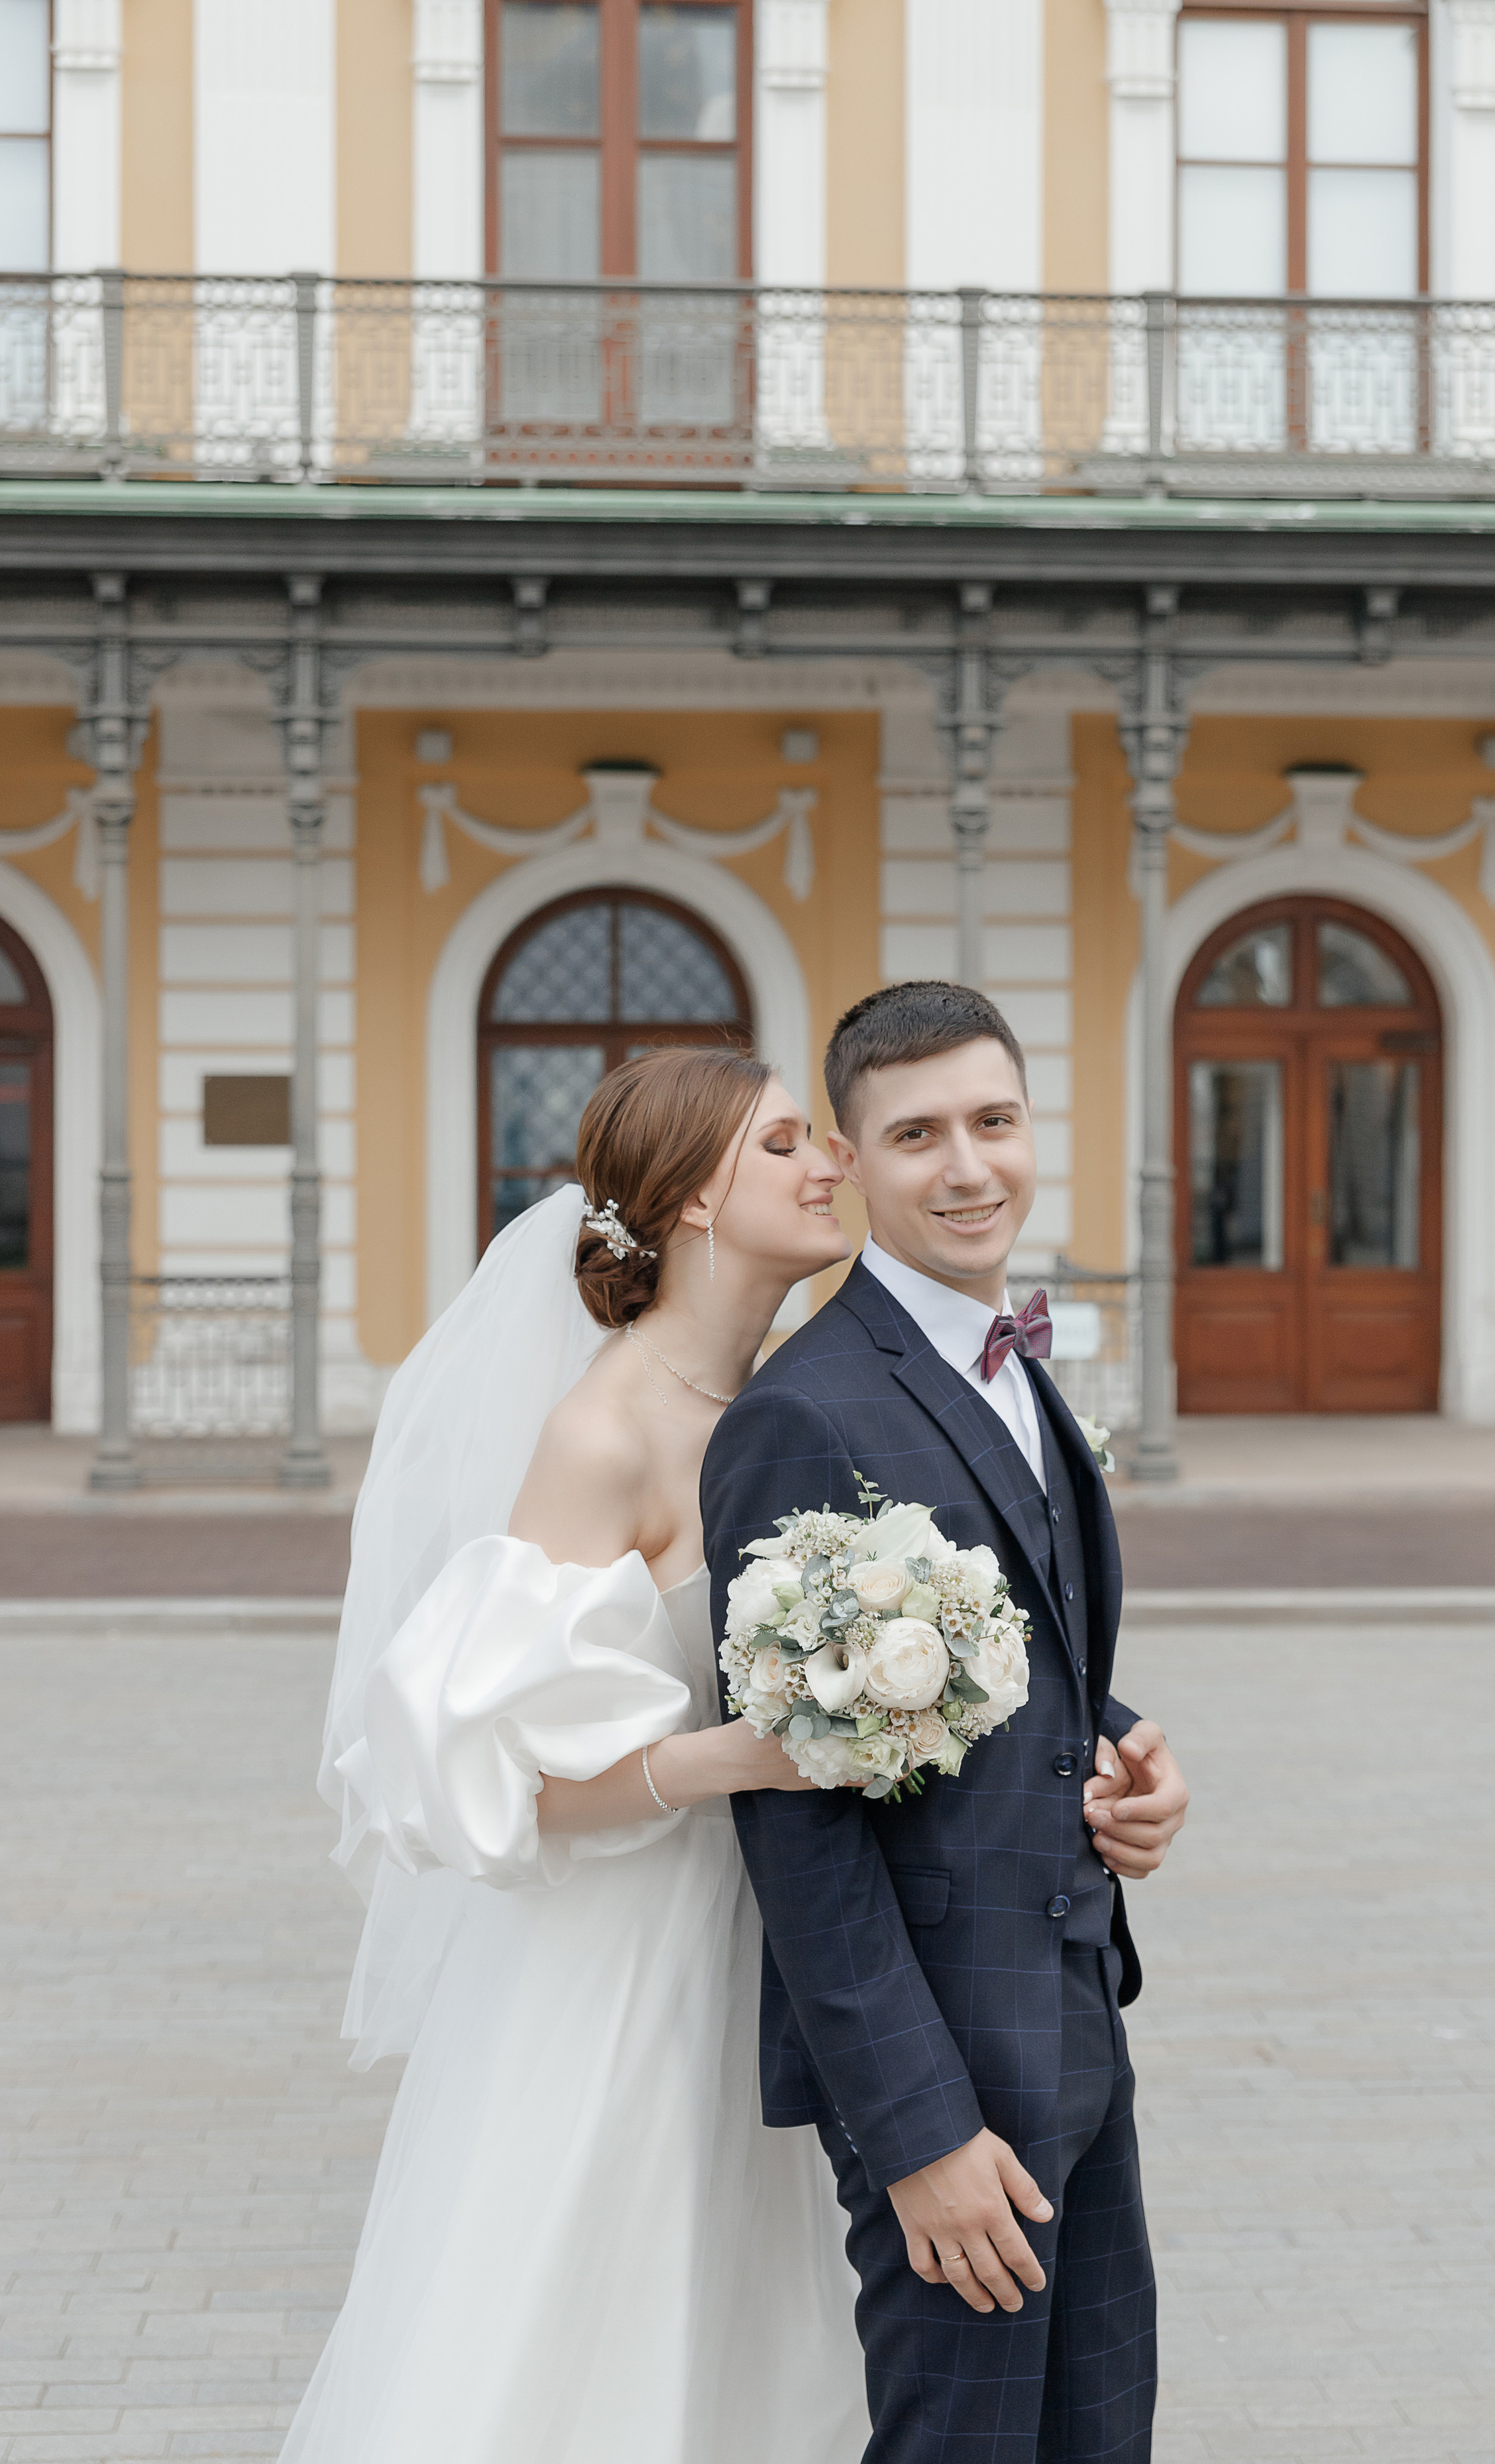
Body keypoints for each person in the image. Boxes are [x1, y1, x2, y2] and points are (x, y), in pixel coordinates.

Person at [282, 1045, 871, 2464]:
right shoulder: (602, 1434)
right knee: (598, 2318)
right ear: (689, 1204)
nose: (830, 1163)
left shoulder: (791, 1396)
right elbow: (480, 1777)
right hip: (631, 1964)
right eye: (786, 1142)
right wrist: (723, 1760)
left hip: (774, 1945)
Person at [702, 981, 1191, 2464]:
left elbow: (999, 1656)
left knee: (1099, 2434)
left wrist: (1120, 1758)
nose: (966, 1166)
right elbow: (794, 1804)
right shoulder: (808, 1412)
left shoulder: (1012, 1362)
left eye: (992, 1121)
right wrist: (913, 2131)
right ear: (848, 1162)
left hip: (1072, 2017)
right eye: (915, 1135)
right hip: (945, 2068)